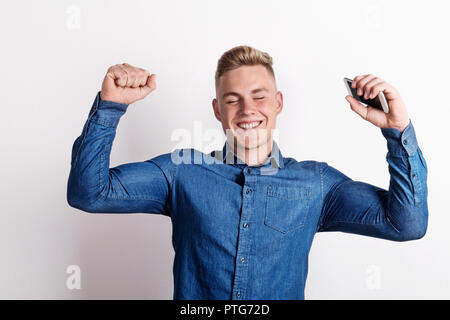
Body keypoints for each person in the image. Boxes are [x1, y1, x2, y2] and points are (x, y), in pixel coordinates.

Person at [67, 45, 428, 299]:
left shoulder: (317, 184)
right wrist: (110, 108)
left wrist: (397, 131)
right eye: (232, 99)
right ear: (217, 110)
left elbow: (406, 224)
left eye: (259, 96)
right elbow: (89, 193)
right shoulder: (181, 173)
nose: (246, 109)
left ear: (278, 103)